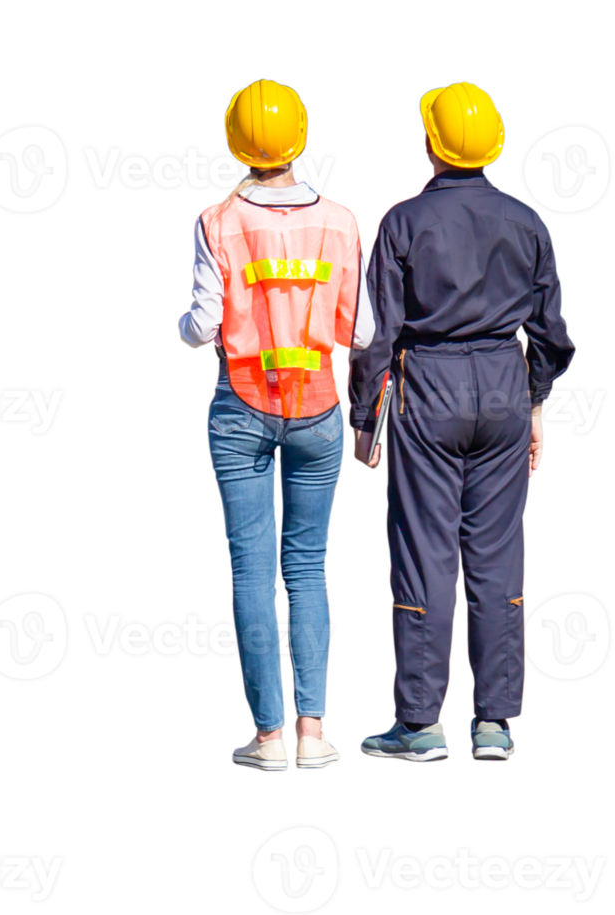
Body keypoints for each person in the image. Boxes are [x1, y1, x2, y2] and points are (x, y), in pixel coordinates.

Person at [348, 80, 577, 764]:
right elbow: (556, 336)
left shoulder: (402, 221)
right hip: (505, 389)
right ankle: (496, 725)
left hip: (429, 388)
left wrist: (366, 421)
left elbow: (375, 336)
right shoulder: (530, 221)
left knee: (425, 555)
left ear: (429, 143)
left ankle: (419, 724)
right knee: (500, 557)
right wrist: (531, 401)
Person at [177, 79, 374, 772]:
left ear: (234, 144)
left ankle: (266, 741)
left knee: (253, 573)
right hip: (320, 407)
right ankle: (315, 733)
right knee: (310, 568)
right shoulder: (344, 223)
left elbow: (200, 328)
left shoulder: (215, 223)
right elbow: (365, 329)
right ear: (302, 139)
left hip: (240, 407)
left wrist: (182, 326)